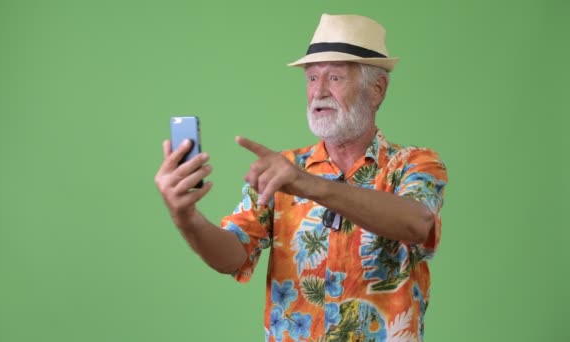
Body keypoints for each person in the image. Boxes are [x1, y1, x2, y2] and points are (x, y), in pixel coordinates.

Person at [155, 13, 448, 342]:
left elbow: (416, 222)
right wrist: (186, 217)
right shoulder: (284, 170)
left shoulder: (414, 163)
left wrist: (312, 186)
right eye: (311, 78)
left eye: (335, 78)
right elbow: (232, 255)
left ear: (377, 89)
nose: (319, 91)